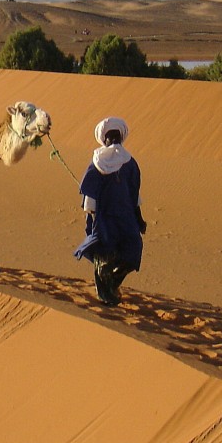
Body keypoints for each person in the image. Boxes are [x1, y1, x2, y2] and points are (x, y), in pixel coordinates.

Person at [73, 117, 147, 306]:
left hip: (126, 216)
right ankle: (105, 294)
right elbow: (90, 195)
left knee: (132, 252)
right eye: (110, 136)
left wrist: (139, 218)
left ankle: (111, 284)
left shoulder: (129, 163)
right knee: (103, 253)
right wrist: (91, 216)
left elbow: (134, 192)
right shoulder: (97, 164)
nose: (113, 140)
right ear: (104, 139)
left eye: (116, 136)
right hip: (104, 217)